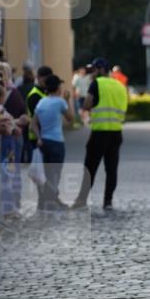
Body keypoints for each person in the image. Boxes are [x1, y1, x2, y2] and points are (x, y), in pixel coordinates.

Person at [72, 58, 128, 210]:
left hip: (99, 133)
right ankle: (108, 201)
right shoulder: (119, 85)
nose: (92, 73)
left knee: (90, 167)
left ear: (101, 70)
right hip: (116, 133)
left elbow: (87, 104)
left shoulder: (96, 83)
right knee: (111, 168)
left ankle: (81, 200)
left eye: (93, 70)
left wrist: (86, 107)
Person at [31, 74, 74, 211]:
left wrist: (39, 137)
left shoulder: (41, 102)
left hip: (44, 142)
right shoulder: (60, 102)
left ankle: (43, 201)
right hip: (56, 142)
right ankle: (52, 202)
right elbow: (70, 119)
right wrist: (68, 100)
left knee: (45, 173)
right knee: (55, 173)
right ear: (58, 87)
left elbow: (33, 124)